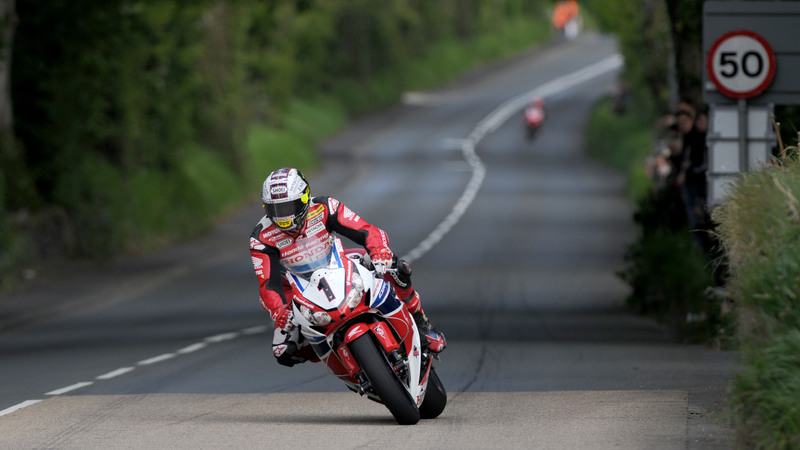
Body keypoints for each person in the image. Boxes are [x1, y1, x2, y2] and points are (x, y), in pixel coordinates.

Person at [249, 167, 446, 367]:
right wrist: (279, 310)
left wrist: (378, 250)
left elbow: (365, 230)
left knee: (396, 268)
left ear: (304, 199)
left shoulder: (325, 207)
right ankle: (338, 357)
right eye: (275, 210)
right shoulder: (261, 237)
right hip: (296, 289)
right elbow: (268, 284)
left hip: (338, 264)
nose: (283, 217)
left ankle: (422, 325)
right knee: (283, 351)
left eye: (287, 208)